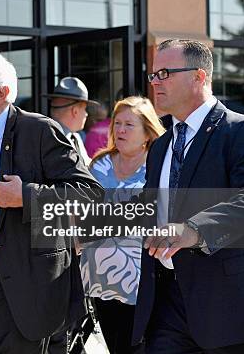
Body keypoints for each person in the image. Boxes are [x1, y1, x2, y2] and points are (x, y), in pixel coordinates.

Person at [0, 46, 103, 354]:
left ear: (3, 93)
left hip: (17, 293)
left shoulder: (39, 131)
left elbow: (89, 197)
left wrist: (27, 196)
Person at [134, 39, 244, 353]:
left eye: (165, 73)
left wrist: (195, 230)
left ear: (199, 77)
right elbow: (149, 207)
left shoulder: (243, 130)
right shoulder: (160, 145)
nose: (155, 83)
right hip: (167, 305)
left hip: (232, 306)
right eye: (154, 75)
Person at [81, 96, 164, 354]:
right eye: (117, 123)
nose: (120, 130)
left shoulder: (158, 167)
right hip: (98, 279)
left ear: (147, 133)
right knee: (113, 346)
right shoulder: (98, 164)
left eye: (129, 124)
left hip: (140, 280)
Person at [43, 76, 94, 165]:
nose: (86, 114)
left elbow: (90, 167)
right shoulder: (50, 140)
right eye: (85, 109)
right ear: (75, 111)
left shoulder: (75, 137)